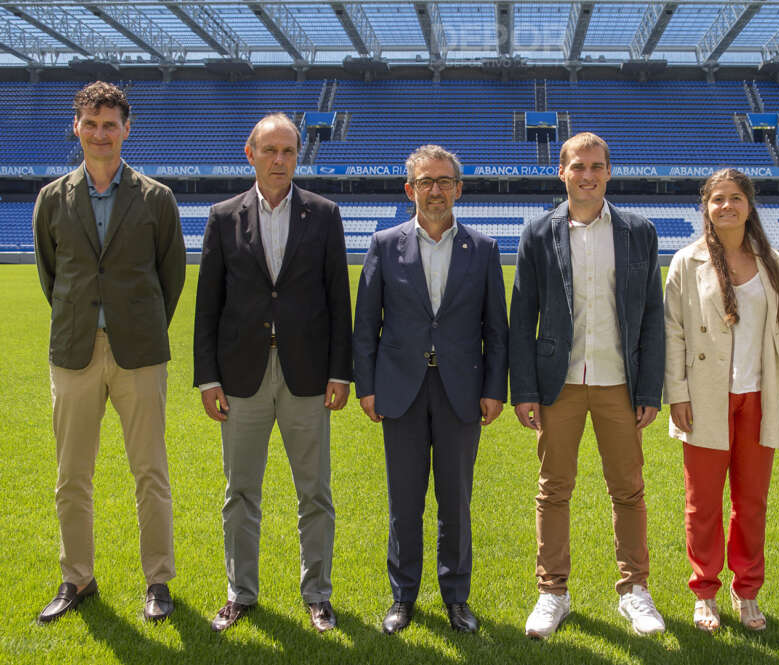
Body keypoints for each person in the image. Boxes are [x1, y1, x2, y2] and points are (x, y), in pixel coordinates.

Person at [32, 81, 186, 623]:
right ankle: (77, 579)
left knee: (151, 472)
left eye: (111, 124)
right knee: (71, 474)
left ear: (127, 128)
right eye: (91, 124)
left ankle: (158, 582)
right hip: (73, 352)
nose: (101, 134)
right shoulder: (52, 198)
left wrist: (135, 325)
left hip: (139, 353)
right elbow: (53, 277)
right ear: (77, 127)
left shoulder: (156, 198)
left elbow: (171, 276)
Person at [193, 113, 352, 633]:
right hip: (242, 376)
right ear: (251, 154)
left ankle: (318, 595)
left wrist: (340, 372)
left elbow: (337, 299)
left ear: (297, 156)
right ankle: (241, 593)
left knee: (315, 493)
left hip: (307, 374)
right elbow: (208, 303)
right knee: (240, 491)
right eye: (270, 150)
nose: (280, 159)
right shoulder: (222, 217)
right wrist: (207, 377)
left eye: (288, 150)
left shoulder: (324, 214)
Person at [509, 132, 666, 638]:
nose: (588, 175)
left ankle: (635, 592)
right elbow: (522, 319)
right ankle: (552, 592)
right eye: (579, 166)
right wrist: (525, 389)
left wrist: (648, 391)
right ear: (563, 172)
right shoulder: (537, 234)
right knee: (553, 490)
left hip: (620, 380)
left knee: (629, 490)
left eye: (597, 166)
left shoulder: (639, 231)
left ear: (609, 171)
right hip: (560, 383)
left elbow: (651, 317)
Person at [354, 145, 508, 634]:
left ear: (458, 189)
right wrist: (368, 385)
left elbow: (496, 329)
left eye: (444, 181)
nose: (435, 190)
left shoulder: (483, 249)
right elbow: (366, 326)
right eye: (425, 182)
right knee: (405, 501)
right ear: (410, 190)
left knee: (455, 501)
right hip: (400, 389)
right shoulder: (383, 244)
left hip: (461, 390)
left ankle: (456, 598)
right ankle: (403, 598)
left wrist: (494, 388)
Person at [664, 168, 779, 633]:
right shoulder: (687, 261)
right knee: (702, 504)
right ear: (705, 206)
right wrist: (677, 394)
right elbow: (673, 333)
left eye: (735, 198)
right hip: (704, 398)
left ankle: (748, 592)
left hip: (760, 396)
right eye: (717, 199)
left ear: (749, 205)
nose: (726, 206)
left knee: (752, 501)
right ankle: (705, 592)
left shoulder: (773, 263)